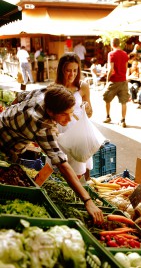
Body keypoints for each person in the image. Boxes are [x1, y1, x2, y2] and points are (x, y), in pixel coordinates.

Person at [0, 84, 103, 223]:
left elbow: (20, 96)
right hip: (5, 144)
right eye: (64, 115)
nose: (69, 119)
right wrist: (87, 200)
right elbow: (61, 164)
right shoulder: (42, 125)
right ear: (49, 111)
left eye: (71, 112)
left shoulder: (45, 93)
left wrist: (12, 116)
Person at [55, 52, 93, 181]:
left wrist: (87, 108)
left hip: (78, 134)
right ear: (61, 70)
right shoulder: (55, 88)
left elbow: (90, 113)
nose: (72, 74)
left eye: (75, 70)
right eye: (68, 70)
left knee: (78, 170)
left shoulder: (82, 86)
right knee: (61, 170)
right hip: (61, 133)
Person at [103, 37, 129, 128]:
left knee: (107, 98)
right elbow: (126, 68)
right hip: (123, 80)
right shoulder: (125, 54)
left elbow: (111, 69)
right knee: (124, 101)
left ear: (112, 44)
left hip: (114, 80)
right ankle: (123, 120)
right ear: (119, 44)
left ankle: (108, 116)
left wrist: (107, 80)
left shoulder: (111, 54)